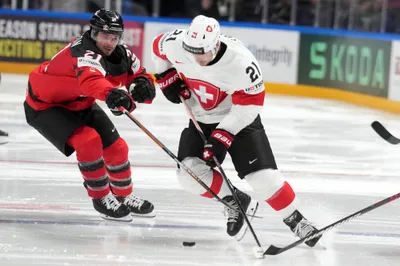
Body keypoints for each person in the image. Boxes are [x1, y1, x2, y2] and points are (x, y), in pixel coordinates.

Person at [151, 14, 321, 246]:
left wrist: (223, 135)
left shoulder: (241, 62)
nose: (196, 57)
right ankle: (234, 200)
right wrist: (165, 77)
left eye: (202, 52)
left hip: (239, 119)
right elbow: (157, 48)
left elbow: (250, 105)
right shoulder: (177, 44)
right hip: (201, 118)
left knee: (263, 179)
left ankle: (297, 220)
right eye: (192, 51)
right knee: (189, 176)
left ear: (216, 44)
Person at [23, 9, 156, 222]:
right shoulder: (83, 52)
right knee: (88, 141)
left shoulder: (122, 53)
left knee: (118, 148)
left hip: (79, 102)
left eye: (115, 37)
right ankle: (101, 197)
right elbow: (91, 82)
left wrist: (143, 85)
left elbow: (138, 73)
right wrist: (112, 94)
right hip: (45, 106)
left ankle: (123, 195)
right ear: (93, 33)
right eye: (105, 36)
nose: (110, 42)